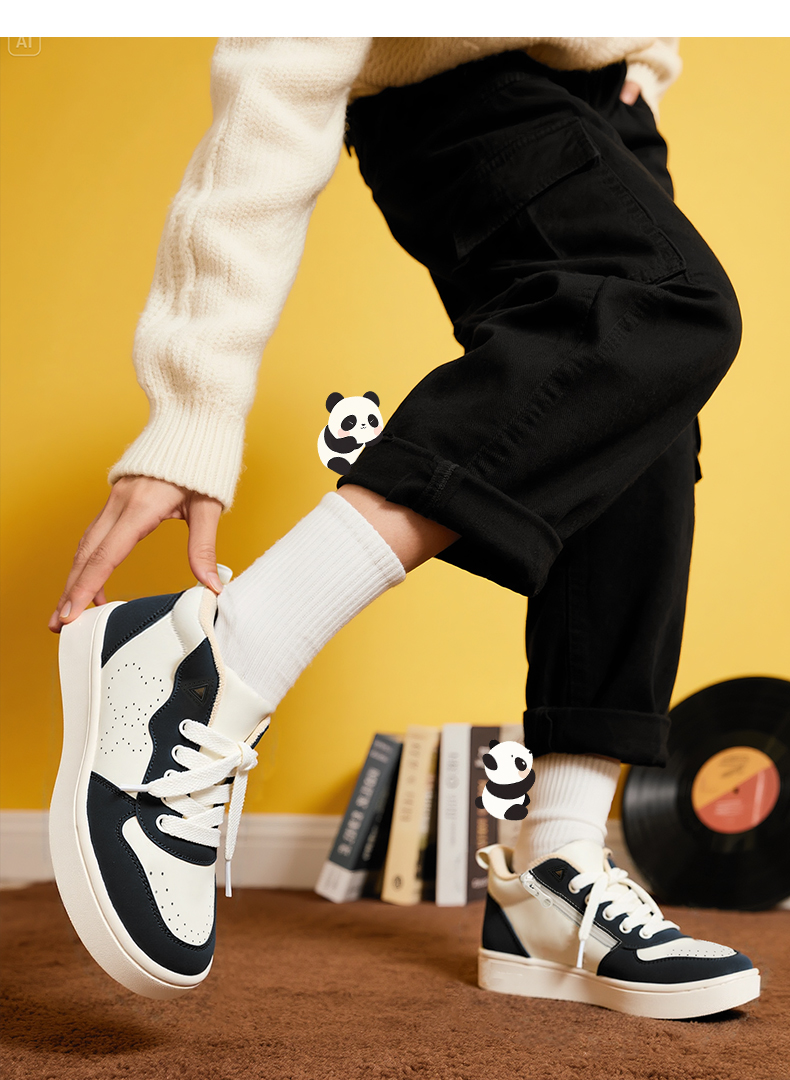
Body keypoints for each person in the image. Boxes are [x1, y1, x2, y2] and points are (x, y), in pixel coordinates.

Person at [47, 37, 760, 1016]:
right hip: (465, 80)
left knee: (634, 416)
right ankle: (220, 653)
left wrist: (640, 58)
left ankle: (555, 871)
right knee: (661, 309)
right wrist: (192, 406)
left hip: (611, 98)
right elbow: (279, 67)